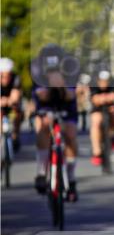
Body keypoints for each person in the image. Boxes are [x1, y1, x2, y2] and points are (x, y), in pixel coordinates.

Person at [29, 44, 81, 201]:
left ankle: (71, 179)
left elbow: (71, 96)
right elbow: (42, 96)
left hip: (66, 104)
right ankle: (41, 172)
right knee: (43, 126)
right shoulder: (36, 69)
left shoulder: (71, 67)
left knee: (70, 134)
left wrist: (62, 87)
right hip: (45, 104)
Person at [88, 70, 114, 166]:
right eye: (102, 81)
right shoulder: (93, 84)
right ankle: (96, 151)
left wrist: (106, 98)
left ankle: (112, 134)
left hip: (110, 106)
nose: (104, 84)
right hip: (97, 108)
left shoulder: (113, 82)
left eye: (106, 81)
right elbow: (95, 99)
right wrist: (104, 98)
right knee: (96, 121)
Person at [0, 58, 24, 153]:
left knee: (17, 112)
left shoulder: (15, 79)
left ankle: (15, 135)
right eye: (3, 76)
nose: (6, 78)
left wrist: (9, 101)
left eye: (8, 75)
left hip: (11, 104)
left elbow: (15, 96)